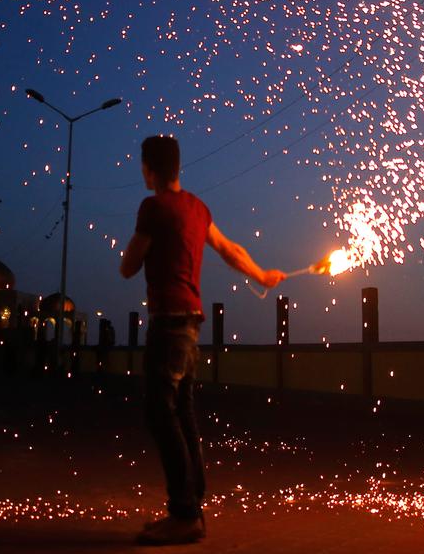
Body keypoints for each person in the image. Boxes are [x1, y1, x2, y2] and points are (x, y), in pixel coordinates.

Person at [119, 134, 285, 546]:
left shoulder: (153, 207)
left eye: (142, 165)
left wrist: (140, 248)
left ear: (151, 168)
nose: (141, 172)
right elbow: (230, 250)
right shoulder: (198, 208)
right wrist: (262, 275)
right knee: (183, 412)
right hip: (192, 322)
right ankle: (191, 503)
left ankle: (185, 513)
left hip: (169, 321)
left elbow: (127, 266)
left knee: (160, 413)